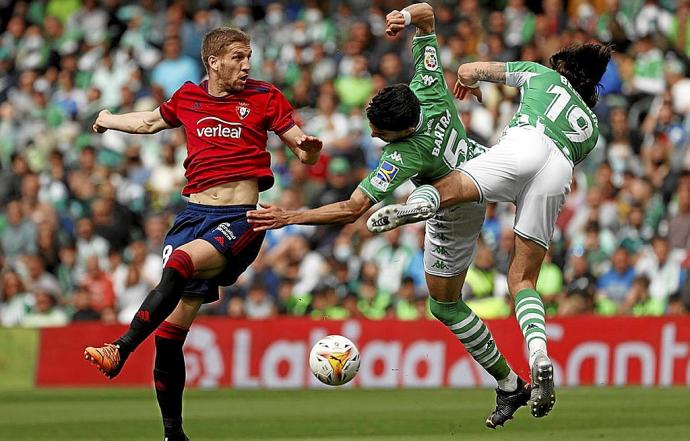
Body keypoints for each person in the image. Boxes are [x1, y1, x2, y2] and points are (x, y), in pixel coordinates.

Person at [247, 3, 529, 429]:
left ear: (400, 131)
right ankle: (426, 205)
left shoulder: (403, 155)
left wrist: (290, 217)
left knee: (445, 305)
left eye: (379, 131)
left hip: (457, 208)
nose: (373, 134)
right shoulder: (429, 86)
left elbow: (351, 208)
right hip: (480, 168)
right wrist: (404, 15)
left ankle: (510, 385)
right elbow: (429, 13)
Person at [83, 27, 322, 441]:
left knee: (180, 263)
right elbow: (150, 122)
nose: (246, 65)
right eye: (237, 57)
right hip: (193, 215)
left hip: (242, 218)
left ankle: (119, 348)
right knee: (170, 336)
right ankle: (173, 435)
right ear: (213, 62)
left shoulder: (265, 96)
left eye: (248, 57)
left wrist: (308, 148)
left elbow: (298, 142)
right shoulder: (189, 97)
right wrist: (107, 119)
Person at [368, 40, 613, 419]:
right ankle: (538, 354)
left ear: (563, 65)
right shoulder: (592, 129)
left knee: (459, 184)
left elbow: (470, 69)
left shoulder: (540, 73)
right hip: (560, 168)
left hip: (524, 143)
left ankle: (415, 207)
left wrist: (470, 80)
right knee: (522, 279)